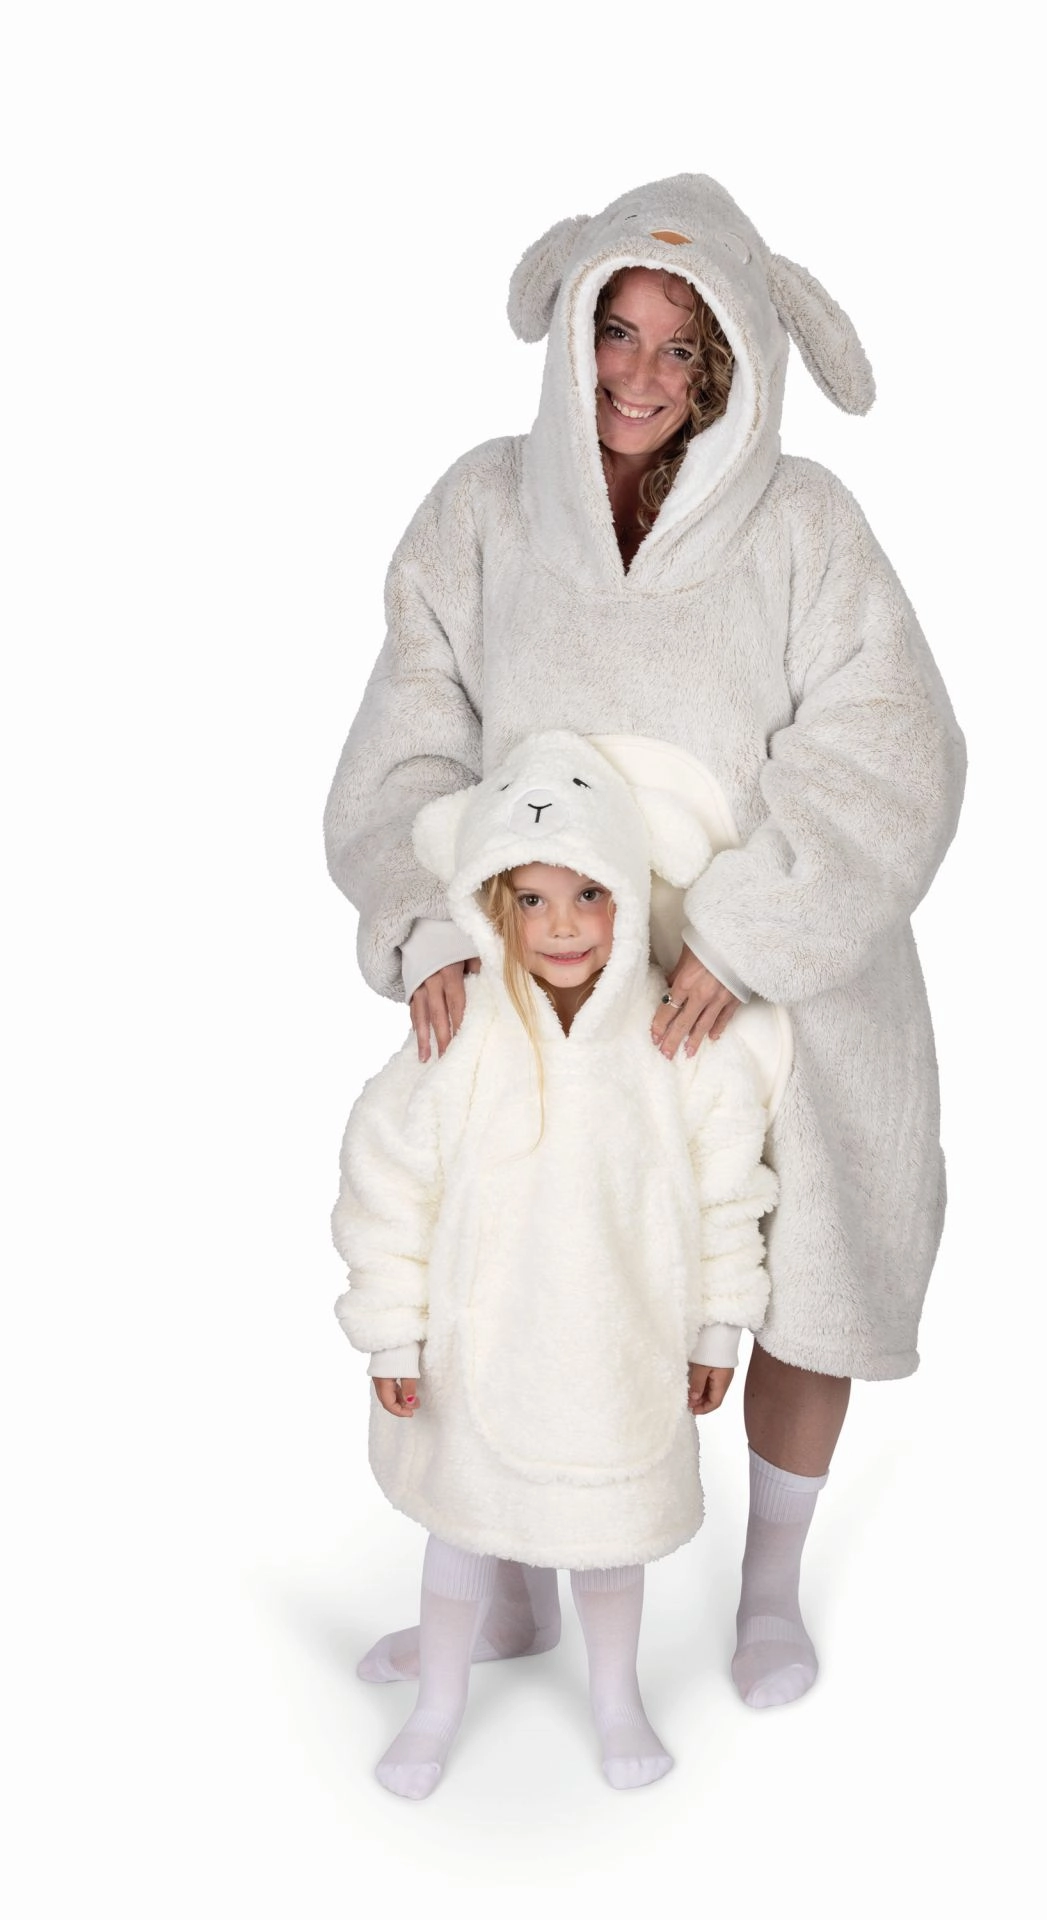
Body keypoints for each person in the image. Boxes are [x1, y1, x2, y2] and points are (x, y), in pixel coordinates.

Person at [325, 172, 966, 1713]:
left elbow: (890, 745)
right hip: (547, 965)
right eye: (618, 331)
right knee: (509, 1255)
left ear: (734, 362)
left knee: (802, 1259)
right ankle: (512, 1588)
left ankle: (769, 1587)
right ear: (572, 328)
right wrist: (430, 924)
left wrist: (744, 935)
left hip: (770, 974)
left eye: (684, 348)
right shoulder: (483, 511)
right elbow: (411, 738)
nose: (640, 375)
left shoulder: (806, 527)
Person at [333, 733, 778, 1796]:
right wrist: (391, 1331)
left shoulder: (678, 1045)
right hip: (478, 1344)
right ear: (492, 904)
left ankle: (615, 1698)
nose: (564, 925)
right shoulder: (461, 1037)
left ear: (630, 890)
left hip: (621, 1349)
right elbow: (388, 1182)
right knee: (460, 1529)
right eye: (531, 900)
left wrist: (719, 1326)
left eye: (588, 893)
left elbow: (728, 1191)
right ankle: (439, 1702)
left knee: (607, 1536)